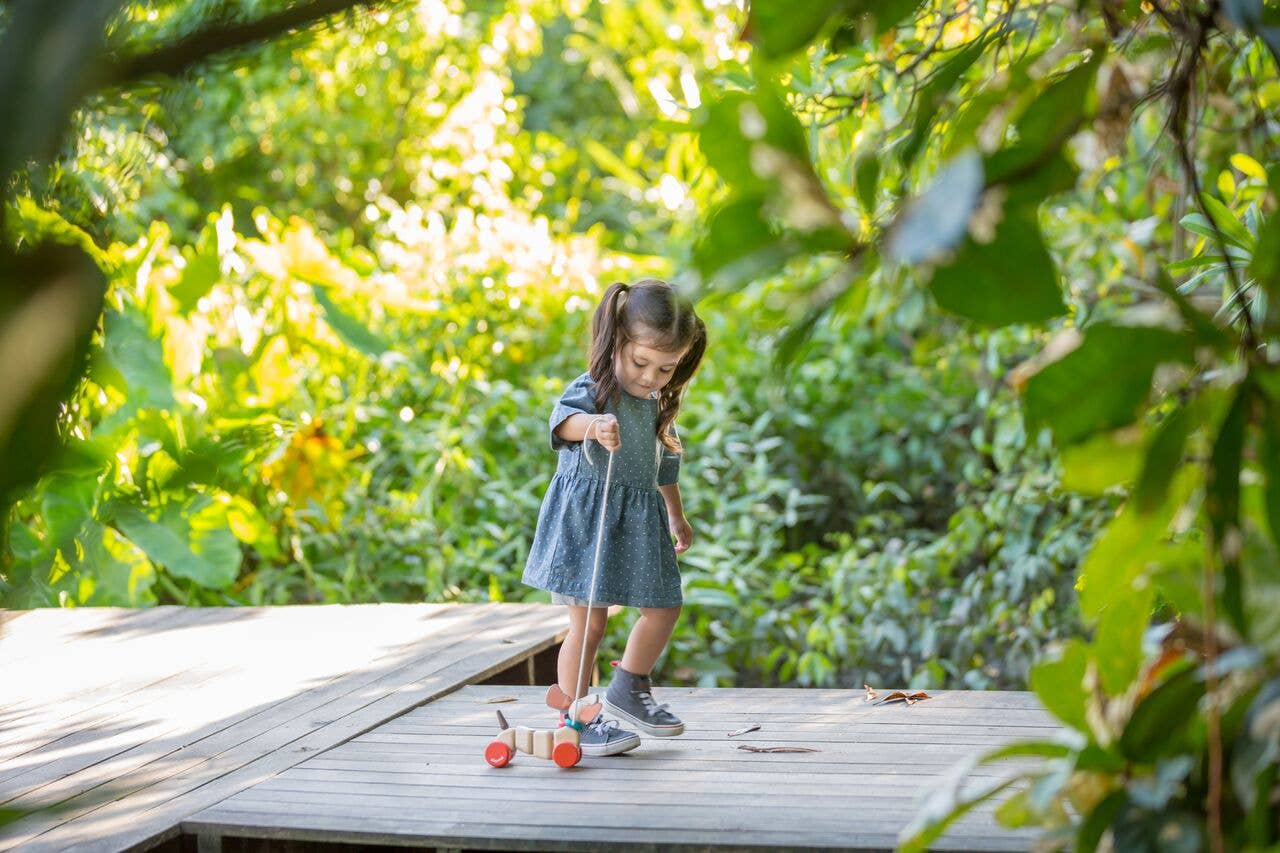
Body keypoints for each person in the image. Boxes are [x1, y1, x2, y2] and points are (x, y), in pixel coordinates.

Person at [522, 278, 706, 756]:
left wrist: (675, 513)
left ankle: (630, 685)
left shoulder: (655, 406)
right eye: (641, 362)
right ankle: (577, 717)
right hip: (589, 520)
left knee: (664, 606)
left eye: (667, 368)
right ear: (616, 342)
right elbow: (562, 423)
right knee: (590, 626)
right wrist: (595, 425)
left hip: (640, 520)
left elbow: (664, 465)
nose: (651, 377)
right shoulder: (594, 391)